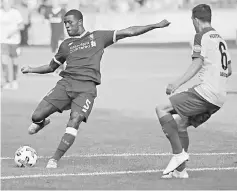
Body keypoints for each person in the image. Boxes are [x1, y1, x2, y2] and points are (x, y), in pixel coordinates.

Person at [21, 9, 171, 168]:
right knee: (36, 116)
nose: (67, 26)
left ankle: (54, 159)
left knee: (75, 119)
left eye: (70, 22)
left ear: (80, 22)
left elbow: (129, 31)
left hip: (86, 89)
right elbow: (51, 67)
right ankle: (42, 122)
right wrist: (31, 69)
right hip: (65, 85)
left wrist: (156, 25)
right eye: (65, 23)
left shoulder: (98, 37)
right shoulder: (65, 45)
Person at [155, 4, 232, 179]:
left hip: (206, 93)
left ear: (195, 20)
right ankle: (181, 171)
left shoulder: (201, 35)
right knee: (181, 124)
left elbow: (197, 63)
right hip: (219, 97)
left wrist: (176, 83)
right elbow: (228, 70)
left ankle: (178, 155)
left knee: (162, 109)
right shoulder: (220, 38)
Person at [1, 0, 24, 89]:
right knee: (4, 61)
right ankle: (7, 81)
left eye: (7, 2)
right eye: (4, 3)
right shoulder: (0, 12)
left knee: (15, 61)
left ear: (10, 3)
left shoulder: (15, 13)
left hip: (14, 42)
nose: (5, 4)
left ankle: (14, 80)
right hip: (3, 41)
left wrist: (13, 32)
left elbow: (21, 26)